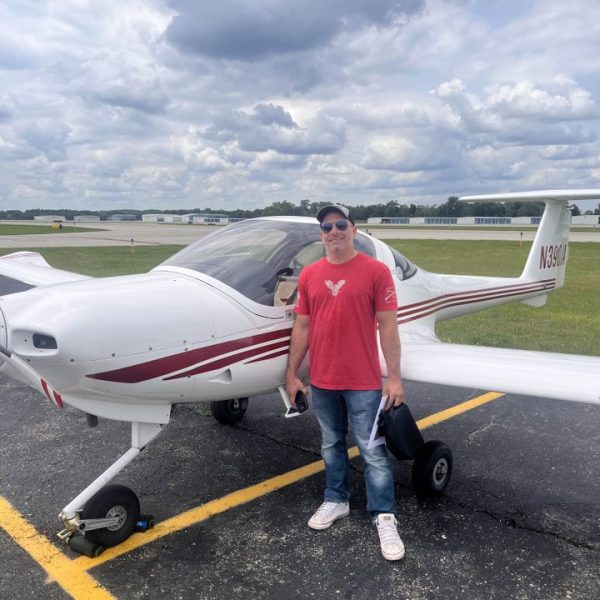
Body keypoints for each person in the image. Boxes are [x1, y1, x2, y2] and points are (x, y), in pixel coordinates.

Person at [285, 204, 406, 561]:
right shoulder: (309, 275)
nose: (334, 231)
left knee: (372, 451)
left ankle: (384, 515)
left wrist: (394, 378)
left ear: (354, 229)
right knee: (331, 444)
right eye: (327, 227)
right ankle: (336, 499)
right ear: (321, 234)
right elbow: (302, 327)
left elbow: (388, 326)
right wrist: (292, 373)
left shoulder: (375, 271)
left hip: (363, 381)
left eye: (340, 224)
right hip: (323, 380)